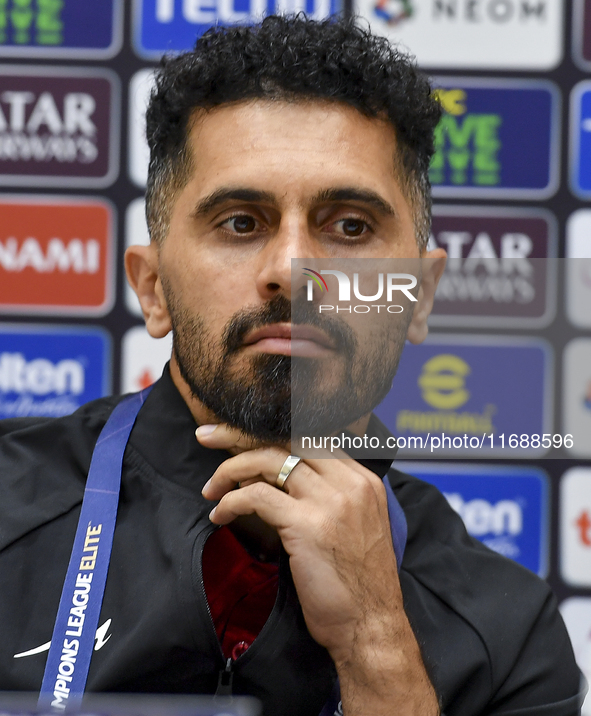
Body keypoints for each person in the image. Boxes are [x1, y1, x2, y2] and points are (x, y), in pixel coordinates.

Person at [0, 14, 583, 716]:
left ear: (419, 296)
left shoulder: (508, 631)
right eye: (241, 223)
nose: (291, 270)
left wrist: (376, 644)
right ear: (153, 288)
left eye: (349, 227)